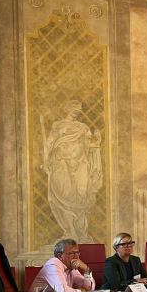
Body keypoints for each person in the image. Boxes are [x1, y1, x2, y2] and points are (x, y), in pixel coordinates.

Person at [42, 100, 104, 242]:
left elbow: (88, 146)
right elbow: (49, 143)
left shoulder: (83, 127)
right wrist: (46, 160)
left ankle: (81, 232)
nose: (77, 110)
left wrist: (97, 142)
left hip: (81, 164)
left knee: (82, 195)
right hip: (61, 163)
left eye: (79, 108)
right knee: (64, 195)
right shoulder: (58, 125)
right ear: (67, 109)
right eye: (74, 107)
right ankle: (69, 231)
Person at [30, 238, 96, 292]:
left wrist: (86, 269)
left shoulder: (72, 267)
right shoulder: (53, 265)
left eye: (77, 253)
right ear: (60, 256)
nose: (76, 257)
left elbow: (90, 289)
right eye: (71, 253)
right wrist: (81, 291)